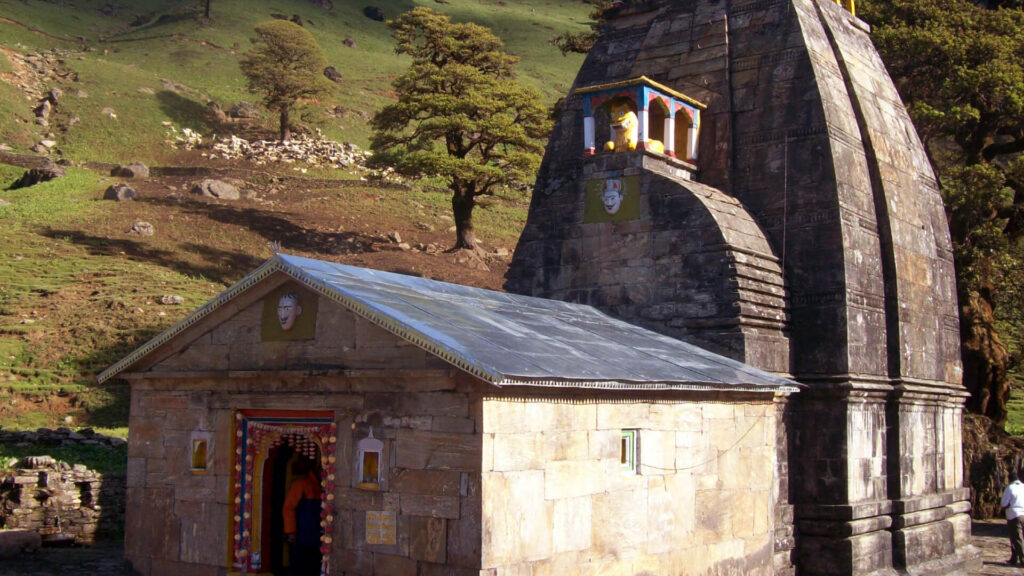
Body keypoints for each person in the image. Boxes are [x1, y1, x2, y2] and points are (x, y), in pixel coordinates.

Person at [282, 457, 322, 576]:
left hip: (315, 538)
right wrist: (291, 532)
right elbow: (288, 508)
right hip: (300, 537)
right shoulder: (301, 484)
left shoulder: (320, 486)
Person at [1001, 470, 1024, 565]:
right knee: (1018, 537)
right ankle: (1014, 557)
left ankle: (1022, 559)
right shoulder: (1023, 486)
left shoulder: (1010, 488)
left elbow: (1004, 503)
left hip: (1014, 515)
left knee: (1016, 538)